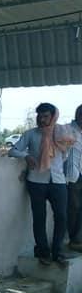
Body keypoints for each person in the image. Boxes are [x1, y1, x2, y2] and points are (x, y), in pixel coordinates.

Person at [8, 103, 75, 265]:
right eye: (39, 116)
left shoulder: (61, 133)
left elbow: (66, 153)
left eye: (45, 116)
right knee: (39, 217)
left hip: (58, 180)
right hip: (36, 181)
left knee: (61, 216)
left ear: (53, 117)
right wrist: (26, 156)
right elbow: (13, 150)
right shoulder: (31, 134)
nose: (41, 119)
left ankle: (57, 252)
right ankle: (42, 252)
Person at [64, 104, 82, 252]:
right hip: (71, 175)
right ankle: (73, 239)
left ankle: (78, 240)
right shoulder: (66, 130)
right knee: (73, 207)